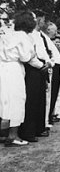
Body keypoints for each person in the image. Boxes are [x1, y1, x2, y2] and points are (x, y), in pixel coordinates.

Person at [0, 11, 38, 146]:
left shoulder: (7, 34)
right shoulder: (23, 36)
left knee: (4, 100)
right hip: (14, 68)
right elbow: (26, 57)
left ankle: (3, 133)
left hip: (2, 67)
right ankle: (13, 135)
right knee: (17, 99)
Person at [19, 10, 53, 142]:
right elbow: (32, 54)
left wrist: (49, 63)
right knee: (32, 100)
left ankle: (38, 128)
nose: (44, 23)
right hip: (33, 67)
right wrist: (41, 65)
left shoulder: (40, 35)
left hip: (41, 66)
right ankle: (28, 131)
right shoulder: (30, 34)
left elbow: (44, 51)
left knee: (40, 100)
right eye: (43, 20)